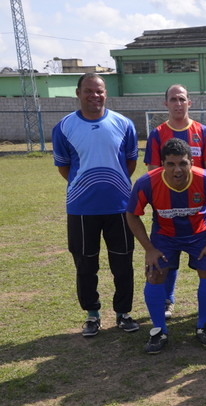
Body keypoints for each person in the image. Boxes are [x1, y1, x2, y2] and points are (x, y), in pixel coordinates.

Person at [52, 73, 139, 337]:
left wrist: (114, 185)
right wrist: (86, 186)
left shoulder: (124, 124)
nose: (95, 96)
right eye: (89, 91)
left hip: (120, 206)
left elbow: (130, 164)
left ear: (105, 93)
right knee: (86, 263)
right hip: (81, 208)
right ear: (78, 94)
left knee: (122, 263)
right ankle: (92, 314)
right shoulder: (64, 127)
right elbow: (65, 167)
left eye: (99, 91)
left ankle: (123, 312)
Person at [126, 138, 206, 353]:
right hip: (165, 236)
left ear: (192, 162)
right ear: (162, 164)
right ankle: (159, 330)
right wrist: (149, 249)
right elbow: (132, 215)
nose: (177, 170)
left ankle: (204, 326)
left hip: (199, 234)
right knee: (154, 274)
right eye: (170, 164)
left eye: (182, 163)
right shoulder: (147, 183)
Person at [144, 84, 206, 319]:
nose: (178, 103)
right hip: (167, 210)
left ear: (190, 103)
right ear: (165, 104)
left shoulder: (203, 132)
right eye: (173, 99)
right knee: (168, 258)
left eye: (182, 99)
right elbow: (153, 174)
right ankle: (168, 299)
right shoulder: (157, 134)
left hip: (199, 210)